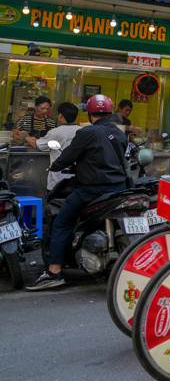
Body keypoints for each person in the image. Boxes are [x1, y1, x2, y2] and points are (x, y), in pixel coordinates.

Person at [26, 95, 128, 291]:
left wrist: (56, 165)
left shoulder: (87, 132)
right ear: (109, 112)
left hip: (91, 190)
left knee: (62, 222)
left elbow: (67, 157)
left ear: (89, 114)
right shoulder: (119, 132)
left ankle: (54, 272)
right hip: (118, 189)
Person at [25, 102, 82, 191]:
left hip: (57, 181)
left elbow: (38, 146)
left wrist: (26, 137)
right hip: (78, 179)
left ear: (60, 116)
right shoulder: (82, 131)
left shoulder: (55, 132)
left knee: (54, 203)